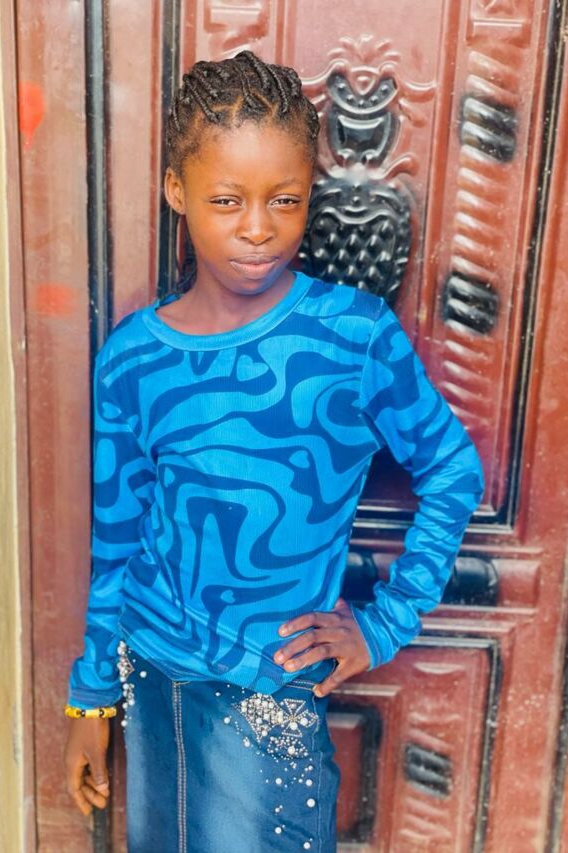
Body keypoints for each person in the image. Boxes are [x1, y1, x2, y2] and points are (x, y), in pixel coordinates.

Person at [63, 50, 485, 853]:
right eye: (227, 200)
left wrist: (384, 624)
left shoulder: (353, 337)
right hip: (149, 671)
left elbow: (452, 470)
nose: (258, 227)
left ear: (309, 195)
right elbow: (117, 541)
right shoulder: (132, 360)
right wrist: (91, 697)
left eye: (284, 200)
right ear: (177, 190)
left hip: (269, 694)